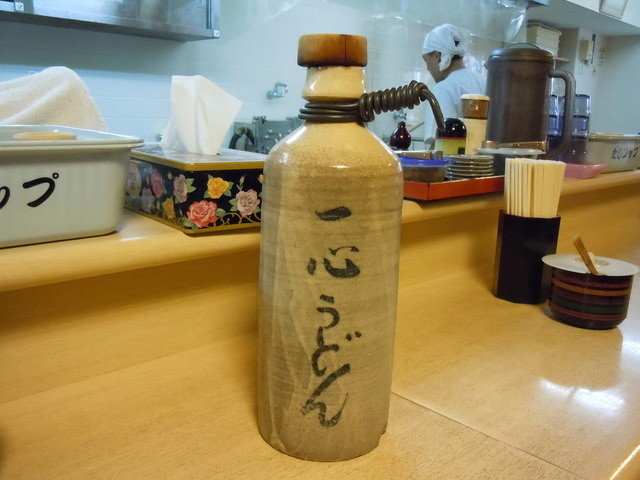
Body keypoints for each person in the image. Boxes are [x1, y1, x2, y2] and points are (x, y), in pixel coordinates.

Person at [421, 24, 485, 145]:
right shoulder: (483, 81)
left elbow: (440, 143)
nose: (428, 68)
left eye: (426, 60)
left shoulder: (443, 89)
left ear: (437, 56)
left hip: (458, 157)